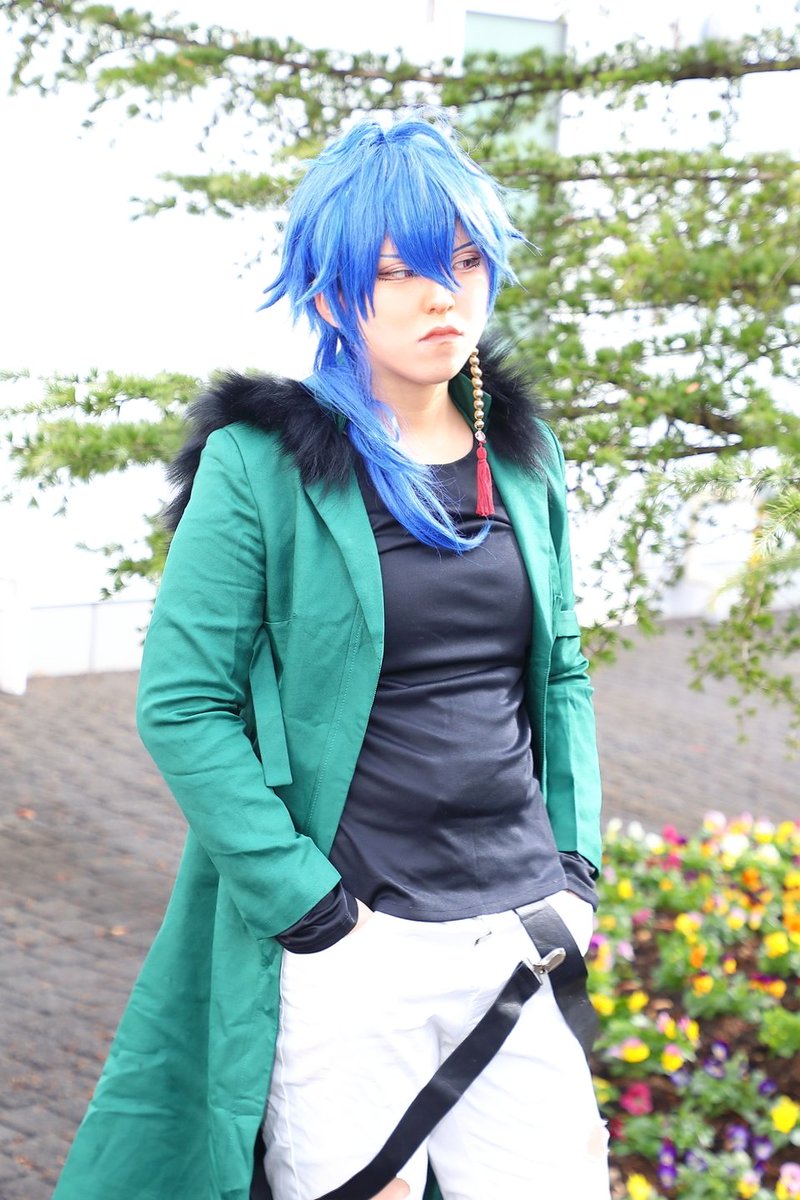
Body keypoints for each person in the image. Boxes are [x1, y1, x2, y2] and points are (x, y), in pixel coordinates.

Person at [53, 117, 609, 1200]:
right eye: (398, 273)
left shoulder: (522, 460)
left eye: (464, 261)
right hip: (360, 944)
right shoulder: (259, 466)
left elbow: (561, 672)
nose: (442, 296)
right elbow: (183, 702)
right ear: (329, 294)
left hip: (519, 930)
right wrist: (312, 913)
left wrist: (575, 868)